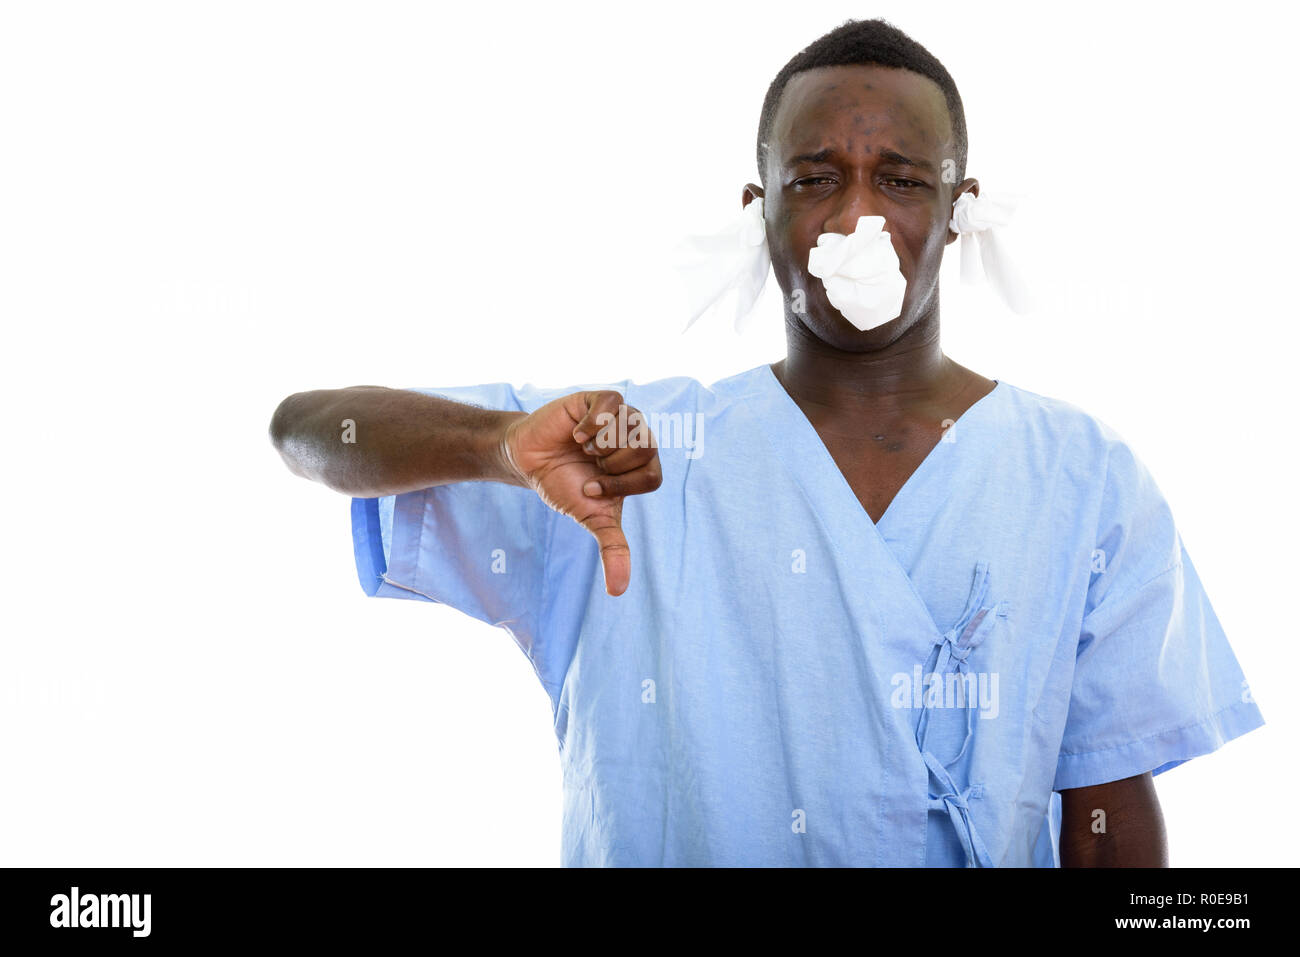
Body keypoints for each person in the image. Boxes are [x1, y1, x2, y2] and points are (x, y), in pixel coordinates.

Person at [269, 18, 1263, 866]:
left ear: (959, 212)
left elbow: (1105, 822)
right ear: (763, 212)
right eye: (817, 177)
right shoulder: (619, 456)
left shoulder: (1080, 477)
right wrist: (494, 443)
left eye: (903, 179)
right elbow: (308, 431)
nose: (858, 218)